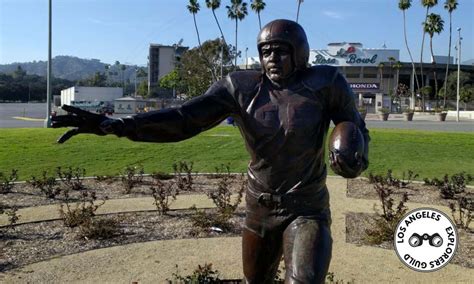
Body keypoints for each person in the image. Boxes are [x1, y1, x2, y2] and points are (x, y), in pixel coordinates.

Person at [52, 19, 369, 283]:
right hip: (260, 207)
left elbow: (353, 124)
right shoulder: (241, 87)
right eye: (266, 52)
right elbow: (184, 119)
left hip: (307, 208)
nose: (273, 58)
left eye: (281, 51)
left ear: (299, 53)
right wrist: (119, 125)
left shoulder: (325, 82)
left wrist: (353, 151)